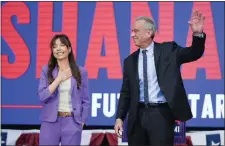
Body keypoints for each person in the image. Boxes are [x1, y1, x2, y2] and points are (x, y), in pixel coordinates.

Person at [114, 10, 206, 146]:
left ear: (149, 33)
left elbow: (194, 53)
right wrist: (119, 118)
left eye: (136, 31)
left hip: (161, 115)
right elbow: (126, 92)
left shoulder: (168, 50)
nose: (132, 34)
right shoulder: (130, 61)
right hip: (136, 116)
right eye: (132, 31)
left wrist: (197, 34)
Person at [38, 34, 90, 145]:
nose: (58, 49)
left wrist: (82, 121)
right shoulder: (46, 70)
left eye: (62, 45)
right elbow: (42, 96)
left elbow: (85, 100)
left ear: (69, 49)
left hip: (72, 122)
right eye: (55, 46)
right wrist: (58, 79)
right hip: (50, 122)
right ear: (52, 51)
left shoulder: (81, 71)